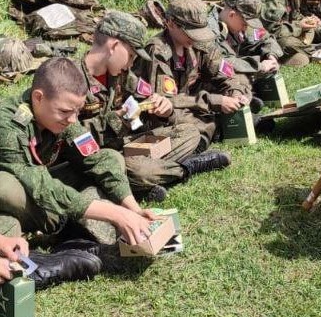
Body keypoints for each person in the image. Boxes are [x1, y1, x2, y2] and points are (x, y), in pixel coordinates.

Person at [0, 58, 156, 288]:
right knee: (5, 189)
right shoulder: (8, 125)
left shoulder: (63, 114)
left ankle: (67, 236)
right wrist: (114, 213)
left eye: (77, 111)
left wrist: (132, 208)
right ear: (38, 98)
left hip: (40, 194)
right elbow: (39, 186)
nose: (72, 119)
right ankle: (58, 247)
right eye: (65, 111)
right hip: (18, 199)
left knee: (111, 158)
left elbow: (96, 158)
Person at [78, 11, 231, 203]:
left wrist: (163, 107)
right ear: (114, 46)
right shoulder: (71, 79)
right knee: (138, 171)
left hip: (128, 144)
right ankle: (185, 168)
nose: (131, 64)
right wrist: (118, 119)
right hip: (100, 158)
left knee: (188, 132)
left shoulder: (120, 74)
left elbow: (146, 97)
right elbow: (69, 136)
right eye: (132, 55)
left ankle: (145, 181)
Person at [131, 0, 252, 151]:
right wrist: (215, 101)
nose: (196, 37)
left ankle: (226, 123)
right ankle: (206, 138)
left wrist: (235, 93)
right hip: (162, 113)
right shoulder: (158, 51)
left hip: (192, 101)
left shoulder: (199, 42)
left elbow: (225, 73)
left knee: (241, 84)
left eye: (199, 31)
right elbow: (166, 102)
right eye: (191, 31)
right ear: (171, 24)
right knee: (194, 123)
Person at [254, 0, 321, 67]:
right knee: (291, 47)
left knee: (312, 30)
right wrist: (299, 26)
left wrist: (306, 20)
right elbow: (272, 31)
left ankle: (306, 49)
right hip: (261, 39)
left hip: (282, 31)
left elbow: (294, 15)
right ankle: (314, 52)